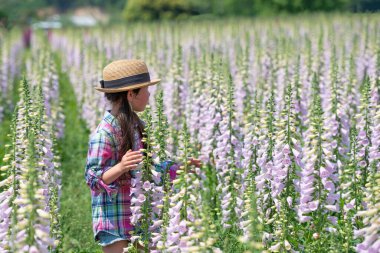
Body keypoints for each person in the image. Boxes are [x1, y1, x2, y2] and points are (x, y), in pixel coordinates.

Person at [84, 59, 201, 253]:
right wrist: (120, 167)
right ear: (131, 94)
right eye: (146, 90)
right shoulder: (104, 133)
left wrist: (178, 167)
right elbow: (92, 178)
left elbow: (148, 170)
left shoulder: (137, 127)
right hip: (115, 222)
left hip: (142, 216)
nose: (149, 95)